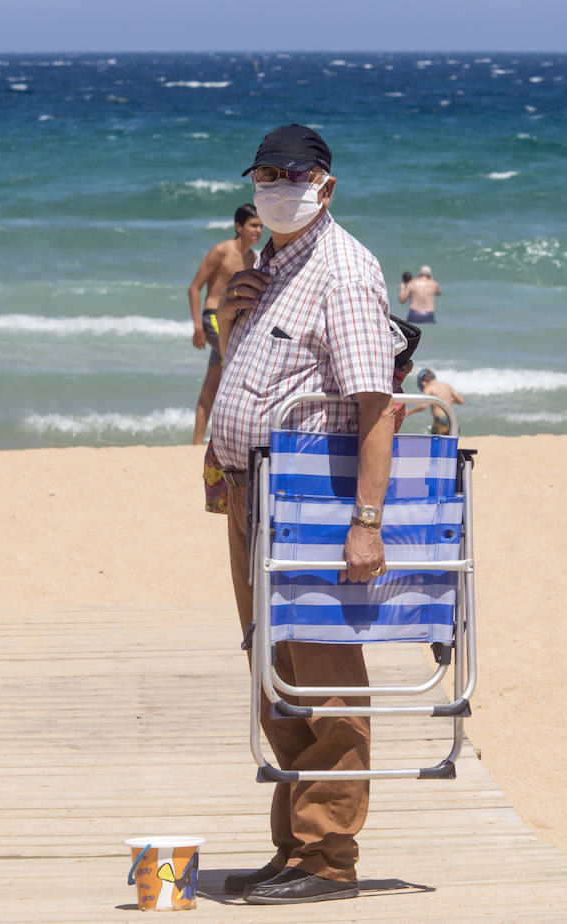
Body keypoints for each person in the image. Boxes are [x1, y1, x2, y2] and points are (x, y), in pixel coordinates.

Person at [210, 124, 393, 906]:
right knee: (274, 670)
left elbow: (376, 406)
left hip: (313, 499)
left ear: (325, 184)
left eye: (292, 173)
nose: (276, 184)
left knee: (324, 675)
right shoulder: (268, 268)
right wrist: (227, 317)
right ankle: (294, 845)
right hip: (253, 492)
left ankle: (329, 857)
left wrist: (367, 519)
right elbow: (252, 381)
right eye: (263, 172)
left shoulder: (344, 274)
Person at [187, 203, 263, 444]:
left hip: (233, 323)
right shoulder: (221, 251)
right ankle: (234, 438)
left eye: (261, 226)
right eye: (253, 225)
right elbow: (194, 287)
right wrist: (198, 326)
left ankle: (196, 443)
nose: (259, 230)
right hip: (212, 319)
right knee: (239, 368)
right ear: (238, 227)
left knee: (211, 385)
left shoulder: (254, 258)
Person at [405, 368, 464, 435]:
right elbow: (460, 401)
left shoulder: (429, 388)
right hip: (451, 418)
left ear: (423, 383)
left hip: (440, 420)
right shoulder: (447, 386)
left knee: (434, 438)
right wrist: (447, 400)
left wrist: (409, 412)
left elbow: (423, 406)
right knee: (450, 438)